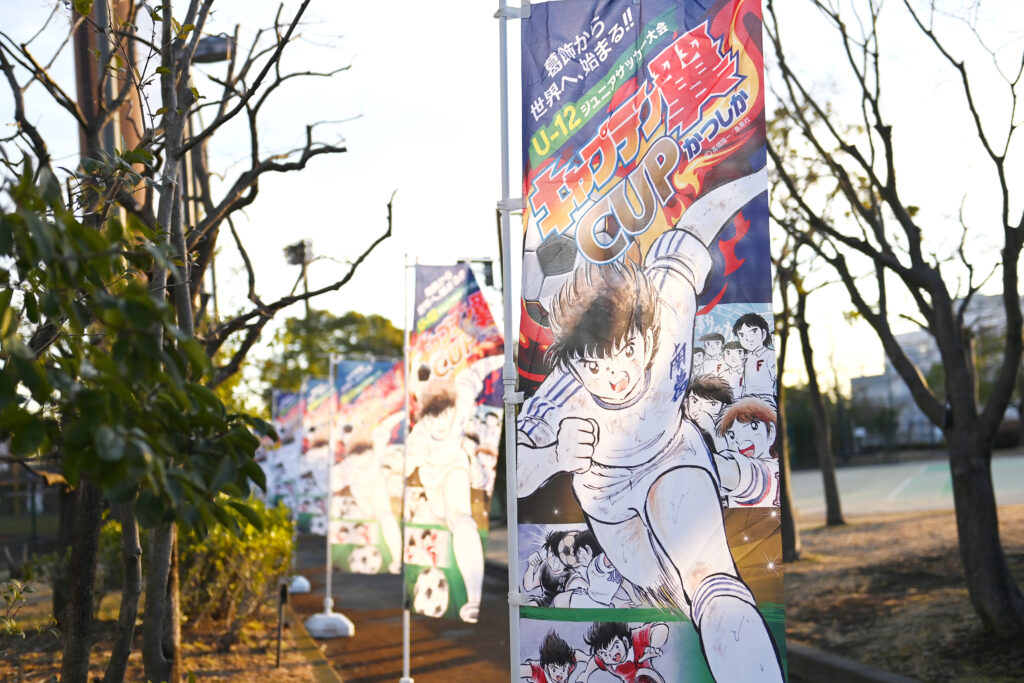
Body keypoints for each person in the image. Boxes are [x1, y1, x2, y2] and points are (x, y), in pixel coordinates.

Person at [517, 180, 783, 681]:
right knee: (658, 585)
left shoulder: (668, 303)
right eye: (594, 367)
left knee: (711, 580)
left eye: (623, 353)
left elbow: (699, 222)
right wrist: (553, 455)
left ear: (645, 332)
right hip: (606, 497)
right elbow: (517, 472)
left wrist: (754, 178)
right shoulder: (562, 392)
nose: (613, 375)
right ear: (574, 364)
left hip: (672, 455)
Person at [405, 353, 503, 622]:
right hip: (431, 481)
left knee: (460, 519)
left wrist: (503, 354)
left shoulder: (460, 403)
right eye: (432, 419)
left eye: (443, 416)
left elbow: (473, 373)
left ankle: (473, 599)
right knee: (443, 520)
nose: (438, 425)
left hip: (455, 468)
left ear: (451, 410)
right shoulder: (419, 434)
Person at [715, 397, 780, 508]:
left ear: (772, 432)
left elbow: (728, 470)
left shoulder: (765, 471)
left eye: (753, 426)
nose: (740, 440)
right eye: (731, 435)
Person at [579, 621, 668, 683]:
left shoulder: (636, 639)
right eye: (605, 654)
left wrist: (654, 646)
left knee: (641, 673)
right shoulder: (604, 660)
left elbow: (661, 628)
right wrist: (585, 674)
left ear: (625, 641)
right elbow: (594, 661)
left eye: (615, 647)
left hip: (648, 677)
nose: (611, 656)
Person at [683, 374, 733, 455]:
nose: (700, 409)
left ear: (724, 407)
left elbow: (726, 457)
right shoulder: (682, 426)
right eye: (695, 401)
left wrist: (712, 431)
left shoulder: (729, 432)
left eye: (712, 404)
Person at [733, 312, 777, 405]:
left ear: (763, 333)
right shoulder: (746, 358)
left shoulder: (770, 355)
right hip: (747, 400)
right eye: (741, 335)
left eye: (753, 331)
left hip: (764, 401)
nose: (747, 338)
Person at [521, 630, 589, 683]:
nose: (559, 674)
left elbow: (575, 654)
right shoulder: (537, 671)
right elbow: (520, 670)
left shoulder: (567, 664)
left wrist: (588, 659)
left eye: (563, 670)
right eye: (554, 670)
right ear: (546, 668)